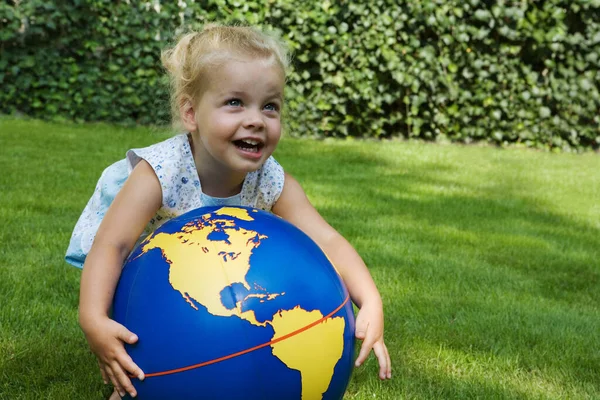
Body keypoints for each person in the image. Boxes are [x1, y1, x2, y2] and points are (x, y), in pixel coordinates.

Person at [66, 24, 391, 399]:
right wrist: (93, 319)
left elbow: (328, 240)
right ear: (191, 113)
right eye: (235, 102)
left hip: (216, 272)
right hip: (152, 280)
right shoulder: (159, 173)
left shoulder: (270, 179)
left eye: (270, 106)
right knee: (146, 321)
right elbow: (112, 246)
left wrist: (369, 298)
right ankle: (151, 371)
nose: (256, 119)